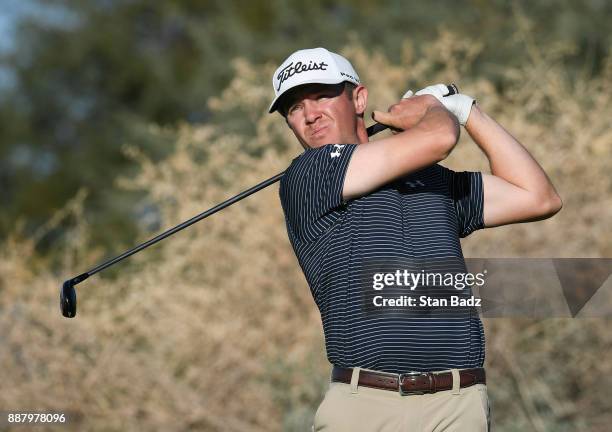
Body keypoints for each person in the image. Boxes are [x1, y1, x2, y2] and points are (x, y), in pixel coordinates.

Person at [270, 47, 562, 431]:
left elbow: (538, 196)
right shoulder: (308, 177)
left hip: (458, 405)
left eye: (322, 95)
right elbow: (439, 137)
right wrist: (432, 109)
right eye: (293, 107)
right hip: (365, 408)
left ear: (359, 98)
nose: (309, 114)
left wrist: (466, 110)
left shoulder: (433, 181)